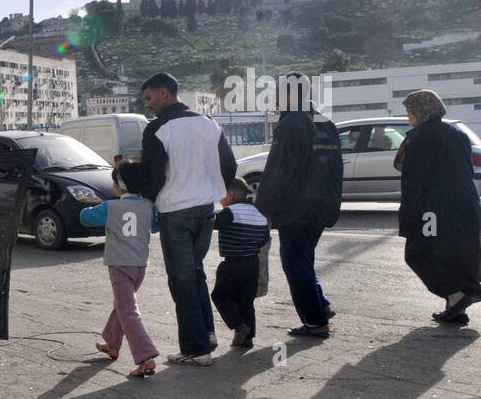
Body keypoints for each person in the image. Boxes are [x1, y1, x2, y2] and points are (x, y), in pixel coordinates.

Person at [135, 72, 237, 365]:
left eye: (150, 98)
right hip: (206, 210)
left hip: (176, 211)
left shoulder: (157, 129)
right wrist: (215, 189)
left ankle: (196, 349)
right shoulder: (208, 124)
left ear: (166, 94)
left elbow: (153, 177)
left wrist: (144, 197)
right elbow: (228, 165)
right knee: (195, 272)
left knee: (181, 279)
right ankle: (207, 335)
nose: (149, 105)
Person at [253, 73, 343, 338]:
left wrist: (264, 207)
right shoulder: (325, 122)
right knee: (303, 259)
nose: (276, 97)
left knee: (294, 263)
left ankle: (315, 322)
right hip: (322, 205)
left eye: (279, 91)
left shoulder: (291, 123)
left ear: (293, 93)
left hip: (297, 208)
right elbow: (335, 168)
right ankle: (321, 305)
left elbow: (279, 170)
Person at [395, 89, 481, 323]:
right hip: (465, 204)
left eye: (410, 112)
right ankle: (457, 308)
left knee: (418, 254)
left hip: (433, 208)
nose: (407, 117)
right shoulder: (457, 133)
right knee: (453, 255)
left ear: (421, 112)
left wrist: (410, 215)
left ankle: (457, 295)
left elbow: (415, 179)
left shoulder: (420, 137)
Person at [81, 162, 160, 377]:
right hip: (140, 265)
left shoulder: (111, 206)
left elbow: (85, 216)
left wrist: (94, 203)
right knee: (123, 305)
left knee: (127, 310)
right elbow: (155, 226)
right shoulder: (148, 205)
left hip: (119, 265)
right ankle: (112, 342)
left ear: (120, 186)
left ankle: (145, 356)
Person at [211, 178, 272, 348]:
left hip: (232, 264)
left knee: (220, 296)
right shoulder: (259, 215)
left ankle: (239, 326)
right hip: (252, 263)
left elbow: (213, 224)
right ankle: (248, 338)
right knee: (246, 301)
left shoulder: (229, 212)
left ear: (229, 194)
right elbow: (263, 240)